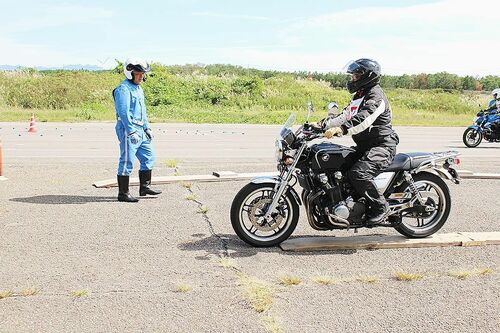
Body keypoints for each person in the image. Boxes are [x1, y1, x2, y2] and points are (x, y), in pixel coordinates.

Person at [320, 58, 399, 225]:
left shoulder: (376, 96)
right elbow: (344, 115)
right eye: (353, 75)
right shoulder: (359, 95)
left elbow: (365, 117)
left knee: (358, 173)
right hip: (365, 146)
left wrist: (342, 129)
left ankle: (380, 207)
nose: (353, 79)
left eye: (355, 75)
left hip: (382, 146)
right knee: (340, 166)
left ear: (367, 76)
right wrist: (321, 125)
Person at [113, 58, 162, 202]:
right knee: (127, 160)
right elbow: (123, 112)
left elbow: (143, 110)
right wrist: (131, 130)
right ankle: (123, 193)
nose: (141, 77)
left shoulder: (138, 88)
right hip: (129, 129)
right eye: (138, 74)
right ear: (130, 73)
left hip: (141, 129)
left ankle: (144, 187)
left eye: (142, 74)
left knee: (148, 157)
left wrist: (147, 127)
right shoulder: (123, 89)